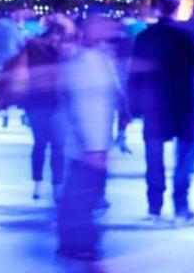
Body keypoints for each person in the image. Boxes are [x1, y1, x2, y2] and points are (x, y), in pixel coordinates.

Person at [130, 0, 194, 222]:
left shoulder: (145, 37)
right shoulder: (187, 35)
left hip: (154, 102)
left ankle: (154, 204)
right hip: (181, 100)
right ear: (177, 9)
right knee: (186, 152)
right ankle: (180, 204)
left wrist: (133, 104)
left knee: (154, 155)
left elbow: (134, 73)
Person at [57, 15, 120, 261]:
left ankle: (77, 241)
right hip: (87, 143)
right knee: (81, 193)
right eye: (101, 23)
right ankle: (78, 242)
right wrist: (90, 146)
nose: (108, 28)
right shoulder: (79, 60)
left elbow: (108, 97)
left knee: (86, 193)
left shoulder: (103, 58)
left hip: (98, 140)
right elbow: (77, 103)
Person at [20, 15, 72, 201]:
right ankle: (52, 184)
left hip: (39, 101)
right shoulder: (59, 50)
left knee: (43, 144)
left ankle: (40, 184)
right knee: (55, 145)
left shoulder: (34, 46)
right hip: (53, 102)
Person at [0, 12, 25, 128]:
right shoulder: (15, 28)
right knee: (16, 88)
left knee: (1, 89)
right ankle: (22, 114)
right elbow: (21, 44)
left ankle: (4, 113)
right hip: (13, 61)